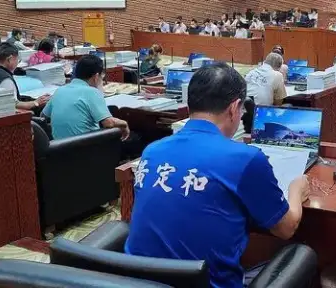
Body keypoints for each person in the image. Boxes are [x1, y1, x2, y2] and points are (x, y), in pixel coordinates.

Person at [125, 63, 310, 288]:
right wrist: (296, 188)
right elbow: (286, 228)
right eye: (242, 110)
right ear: (234, 108)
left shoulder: (152, 151)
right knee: (302, 253)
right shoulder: (245, 158)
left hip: (137, 282)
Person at [42, 55, 130, 140]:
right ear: (96, 77)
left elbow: (43, 116)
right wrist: (124, 123)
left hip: (59, 149)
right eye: (102, 77)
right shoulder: (92, 92)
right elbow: (109, 123)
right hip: (86, 148)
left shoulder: (60, 90)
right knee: (135, 139)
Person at [0, 43, 49, 110]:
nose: (17, 63)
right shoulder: (5, 79)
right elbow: (14, 105)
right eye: (17, 60)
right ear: (9, 59)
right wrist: (36, 102)